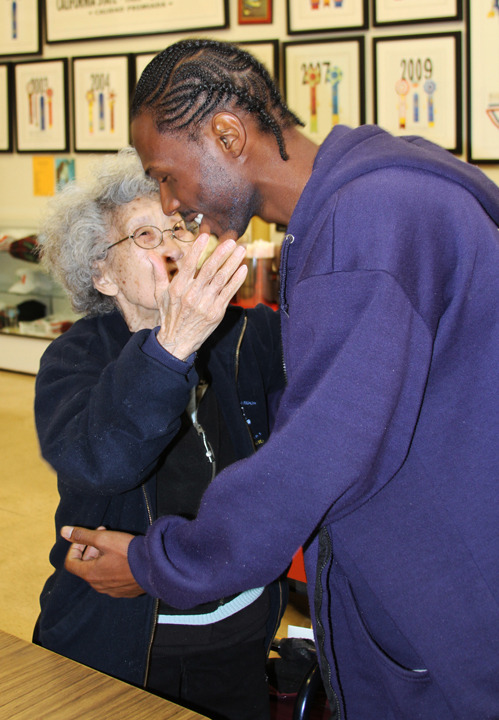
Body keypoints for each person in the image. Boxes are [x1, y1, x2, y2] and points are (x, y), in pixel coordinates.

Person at [61, 39, 499, 719]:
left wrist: (160, 563)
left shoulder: (367, 221)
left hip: (445, 609)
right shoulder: (366, 202)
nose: (172, 205)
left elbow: (316, 455)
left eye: (167, 177)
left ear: (228, 134)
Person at [33, 146, 287, 720]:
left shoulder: (245, 338)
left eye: (181, 226)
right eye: (147, 236)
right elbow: (103, 460)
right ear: (102, 272)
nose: (173, 245)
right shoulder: (72, 360)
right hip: (128, 649)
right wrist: (172, 346)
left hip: (239, 641)